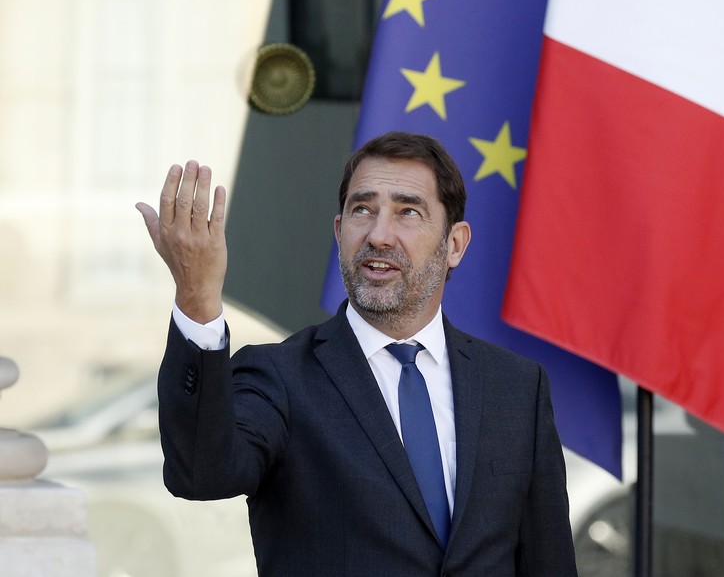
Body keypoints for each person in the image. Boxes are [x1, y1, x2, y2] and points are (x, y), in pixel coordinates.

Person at [136, 131, 577, 576]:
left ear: (455, 245)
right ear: (339, 231)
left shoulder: (516, 387)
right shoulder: (280, 377)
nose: (379, 235)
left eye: (408, 212)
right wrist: (197, 296)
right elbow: (200, 472)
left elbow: (549, 562)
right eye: (362, 210)